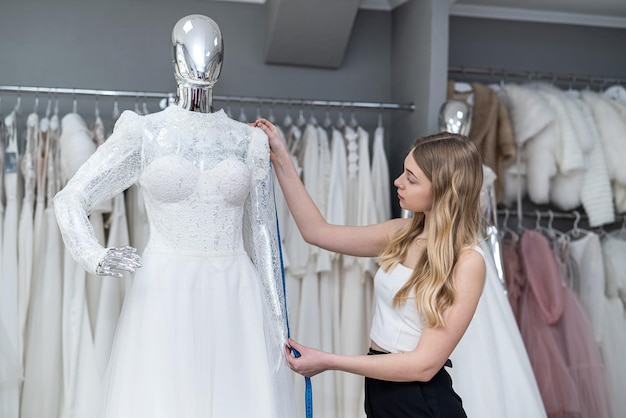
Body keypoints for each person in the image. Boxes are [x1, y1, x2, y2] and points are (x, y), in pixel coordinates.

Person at [53, 15, 296, 418]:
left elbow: (264, 233)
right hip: (165, 291)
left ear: (222, 62)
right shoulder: (144, 134)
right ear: (174, 60)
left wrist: (278, 321)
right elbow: (70, 198)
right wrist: (93, 254)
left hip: (235, 292)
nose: (202, 64)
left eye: (211, 53)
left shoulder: (247, 140)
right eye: (192, 53)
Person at [254, 117, 487, 417]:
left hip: (421, 401)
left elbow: (424, 365)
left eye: (411, 178)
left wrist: (329, 360)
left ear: (443, 191)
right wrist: (280, 156)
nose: (398, 182)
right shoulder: (401, 234)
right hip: (380, 393)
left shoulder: (468, 261)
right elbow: (316, 232)